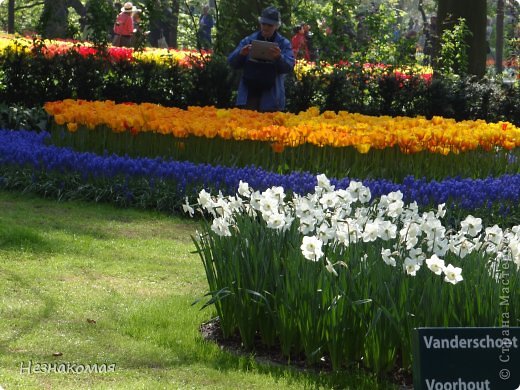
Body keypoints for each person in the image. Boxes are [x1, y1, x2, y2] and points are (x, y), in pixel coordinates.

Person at [227, 6, 295, 112]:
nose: (266, 27)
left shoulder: (283, 44)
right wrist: (241, 54)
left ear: (276, 26)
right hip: (249, 97)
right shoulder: (249, 40)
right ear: (260, 23)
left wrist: (279, 57)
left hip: (272, 99)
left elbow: (289, 67)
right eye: (263, 24)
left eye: (270, 25)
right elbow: (231, 62)